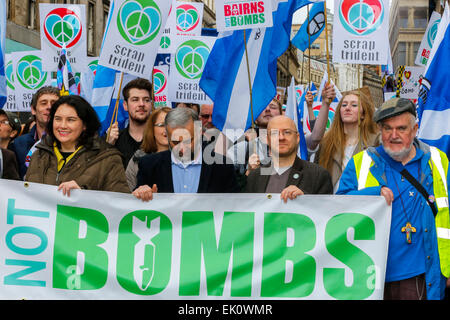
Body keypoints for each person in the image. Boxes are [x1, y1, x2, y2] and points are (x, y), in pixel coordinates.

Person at [337, 98, 450, 300]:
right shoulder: (361, 162)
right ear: (380, 130)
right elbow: (338, 208)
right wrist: (373, 193)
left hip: (419, 275)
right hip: (368, 275)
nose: (394, 136)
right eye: (387, 129)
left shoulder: (437, 160)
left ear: (415, 129)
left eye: (401, 128)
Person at [26, 95, 130, 195]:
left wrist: (83, 196)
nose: (62, 126)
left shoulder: (108, 159)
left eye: (70, 120)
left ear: (85, 124)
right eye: (57, 119)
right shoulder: (39, 155)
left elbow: (119, 205)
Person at [133, 107, 240, 201]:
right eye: (175, 142)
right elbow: (136, 208)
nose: (182, 149)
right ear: (167, 135)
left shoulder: (222, 166)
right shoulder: (149, 165)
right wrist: (142, 194)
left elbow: (234, 209)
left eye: (188, 141)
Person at [245, 115, 333, 201]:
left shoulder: (318, 175)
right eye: (274, 133)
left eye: (287, 132)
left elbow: (325, 212)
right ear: (267, 140)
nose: (281, 137)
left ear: (297, 138)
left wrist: (305, 200)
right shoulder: (255, 177)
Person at [314, 89, 379, 192]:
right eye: (344, 105)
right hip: (331, 203)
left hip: (360, 202)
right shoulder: (327, 142)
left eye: (354, 105)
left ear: (363, 114)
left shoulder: (375, 142)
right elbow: (316, 176)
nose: (347, 108)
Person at [11, 86, 60, 179]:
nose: (49, 107)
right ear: (33, 110)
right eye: (43, 103)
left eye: (54, 103)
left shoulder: (71, 142)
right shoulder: (18, 144)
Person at [106, 78, 153, 168]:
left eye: (146, 100)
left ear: (151, 104)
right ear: (125, 105)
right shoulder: (113, 140)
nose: (142, 104)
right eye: (135, 100)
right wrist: (108, 145)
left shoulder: (160, 138)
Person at [125, 107, 171, 191]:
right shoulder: (138, 159)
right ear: (151, 129)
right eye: (161, 125)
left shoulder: (184, 159)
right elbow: (128, 193)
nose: (167, 129)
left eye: (171, 124)